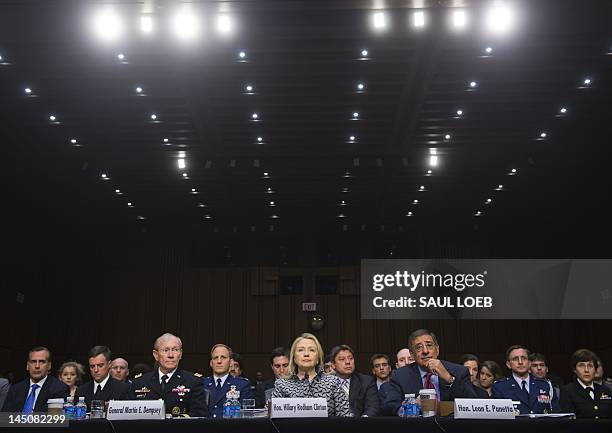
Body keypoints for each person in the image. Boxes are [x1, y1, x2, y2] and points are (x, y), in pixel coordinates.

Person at [383, 329, 476, 415]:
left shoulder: (459, 371)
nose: (425, 351)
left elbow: (474, 406)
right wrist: (412, 406)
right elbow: (389, 407)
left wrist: (449, 379)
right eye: (419, 347)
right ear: (412, 354)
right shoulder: (400, 375)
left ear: (437, 349)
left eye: (429, 345)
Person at [271, 333, 352, 417]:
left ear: (318, 358)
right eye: (301, 350)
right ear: (294, 358)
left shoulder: (333, 382)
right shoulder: (282, 384)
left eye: (312, 350)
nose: (306, 354)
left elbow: (345, 418)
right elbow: (271, 418)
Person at [132, 333, 208, 417]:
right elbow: (127, 414)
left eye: (175, 350)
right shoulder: (140, 382)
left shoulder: (193, 381)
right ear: (156, 355)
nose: (171, 355)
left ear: (180, 354)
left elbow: (198, 416)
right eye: (165, 350)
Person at [492, 345, 560, 414]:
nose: (520, 362)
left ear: (529, 363)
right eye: (515, 359)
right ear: (508, 364)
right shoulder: (500, 387)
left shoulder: (544, 385)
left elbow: (556, 414)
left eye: (524, 358)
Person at [1, 347, 69, 413]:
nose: (37, 366)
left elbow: (55, 422)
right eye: (33, 361)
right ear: (27, 365)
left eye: (42, 362)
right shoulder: (15, 389)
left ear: (49, 366)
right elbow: (5, 418)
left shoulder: (60, 389)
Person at [203, 344, 253, 418]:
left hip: (231, 428)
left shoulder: (242, 385)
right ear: (211, 363)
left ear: (230, 362)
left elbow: (247, 415)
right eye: (215, 358)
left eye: (223, 357)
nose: (219, 361)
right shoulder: (202, 384)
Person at [560, 349, 611, 418]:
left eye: (590, 366)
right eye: (581, 366)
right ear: (575, 370)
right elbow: (569, 422)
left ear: (595, 370)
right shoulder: (567, 391)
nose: (586, 370)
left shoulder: (605, 390)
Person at [330, 344, 379, 417]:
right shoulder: (327, 383)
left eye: (350, 358)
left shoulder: (366, 381)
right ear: (333, 365)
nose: (348, 362)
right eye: (342, 359)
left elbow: (373, 406)